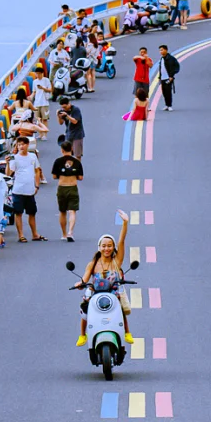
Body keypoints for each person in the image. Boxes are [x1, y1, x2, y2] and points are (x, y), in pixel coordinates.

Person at [76, 211, 134, 346]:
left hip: (112, 292)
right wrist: (81, 283)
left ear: (113, 247)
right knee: (85, 310)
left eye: (109, 245)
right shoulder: (93, 264)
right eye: (104, 246)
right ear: (99, 247)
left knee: (120, 309)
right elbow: (85, 279)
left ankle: (127, 332)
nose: (106, 248)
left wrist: (125, 223)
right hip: (95, 292)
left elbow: (122, 241)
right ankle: (82, 335)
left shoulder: (116, 261)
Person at [7, 136, 45, 242]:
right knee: (18, 213)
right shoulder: (14, 157)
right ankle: (21, 235)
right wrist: (7, 163)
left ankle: (35, 234)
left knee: (32, 213)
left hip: (30, 189)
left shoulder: (32, 156)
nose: (21, 146)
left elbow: (37, 170)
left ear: (27, 145)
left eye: (23, 144)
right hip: (18, 189)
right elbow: (9, 173)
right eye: (19, 145)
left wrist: (37, 185)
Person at [51, 137, 84, 241]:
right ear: (72, 149)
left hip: (62, 188)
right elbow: (80, 177)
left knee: (62, 211)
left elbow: (54, 176)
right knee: (72, 211)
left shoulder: (58, 161)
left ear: (62, 150)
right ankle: (70, 232)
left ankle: (64, 234)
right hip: (73, 187)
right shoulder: (77, 162)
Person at [157, 43, 180, 111]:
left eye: (162, 50)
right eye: (160, 50)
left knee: (168, 92)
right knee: (164, 92)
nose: (160, 51)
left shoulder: (171, 58)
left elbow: (176, 67)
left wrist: (171, 76)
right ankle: (166, 105)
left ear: (166, 50)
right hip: (162, 78)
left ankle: (169, 105)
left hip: (168, 78)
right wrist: (159, 77)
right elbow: (161, 69)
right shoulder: (162, 59)